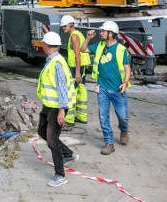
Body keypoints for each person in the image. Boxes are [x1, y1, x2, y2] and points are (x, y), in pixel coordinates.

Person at [81, 20, 131, 155]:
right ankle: (109, 143)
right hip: (102, 89)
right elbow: (83, 49)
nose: (100, 33)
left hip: (117, 90)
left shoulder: (121, 49)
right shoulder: (98, 46)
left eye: (103, 31)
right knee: (103, 117)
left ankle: (124, 130)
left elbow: (127, 69)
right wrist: (87, 38)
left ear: (111, 34)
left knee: (123, 117)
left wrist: (125, 83)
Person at [36, 31, 76, 188]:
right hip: (49, 105)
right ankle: (67, 153)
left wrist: (62, 110)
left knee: (52, 140)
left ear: (46, 45)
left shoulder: (57, 63)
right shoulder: (52, 60)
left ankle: (60, 175)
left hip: (57, 108)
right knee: (41, 132)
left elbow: (62, 88)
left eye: (43, 44)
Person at [60, 15, 90, 127]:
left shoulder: (74, 36)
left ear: (71, 25)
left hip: (76, 67)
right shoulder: (78, 34)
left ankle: (69, 120)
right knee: (81, 90)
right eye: (62, 27)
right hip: (80, 66)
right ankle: (82, 117)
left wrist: (77, 72)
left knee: (71, 92)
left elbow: (78, 55)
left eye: (64, 26)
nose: (63, 28)